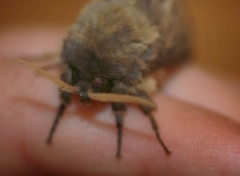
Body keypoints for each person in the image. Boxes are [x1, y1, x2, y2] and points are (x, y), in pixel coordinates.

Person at [1, 28, 240, 175]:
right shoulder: (75, 67)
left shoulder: (122, 78)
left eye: (93, 84)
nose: (83, 93)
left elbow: (136, 92)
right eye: (78, 79)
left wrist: (129, 134)